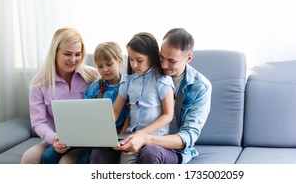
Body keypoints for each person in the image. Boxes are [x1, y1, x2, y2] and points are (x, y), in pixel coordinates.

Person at [116, 28, 212, 164]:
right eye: (161, 57)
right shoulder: (145, 74)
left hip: (170, 148)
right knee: (101, 151)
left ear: (188, 58)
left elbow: (188, 136)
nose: (164, 65)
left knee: (150, 152)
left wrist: (145, 138)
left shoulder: (200, 87)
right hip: (138, 136)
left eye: (171, 61)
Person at [91, 32, 175, 163]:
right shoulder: (128, 81)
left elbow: (168, 115)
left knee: (147, 154)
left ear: (151, 57)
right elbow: (115, 111)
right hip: (130, 137)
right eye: (131, 59)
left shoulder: (163, 81)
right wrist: (100, 128)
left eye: (139, 60)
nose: (134, 65)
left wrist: (143, 134)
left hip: (155, 138)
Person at [20, 27, 100, 164]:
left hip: (85, 141)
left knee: (66, 163)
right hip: (54, 140)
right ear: (55, 53)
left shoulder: (93, 76)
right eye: (67, 54)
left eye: (77, 54)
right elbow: (38, 122)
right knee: (28, 159)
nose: (73, 60)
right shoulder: (39, 84)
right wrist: (54, 138)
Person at [83, 42, 130, 163]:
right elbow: (85, 111)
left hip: (123, 134)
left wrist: (122, 135)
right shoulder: (95, 87)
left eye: (109, 64)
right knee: (94, 156)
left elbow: (131, 114)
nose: (105, 69)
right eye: (100, 66)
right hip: (99, 136)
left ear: (120, 61)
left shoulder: (129, 85)